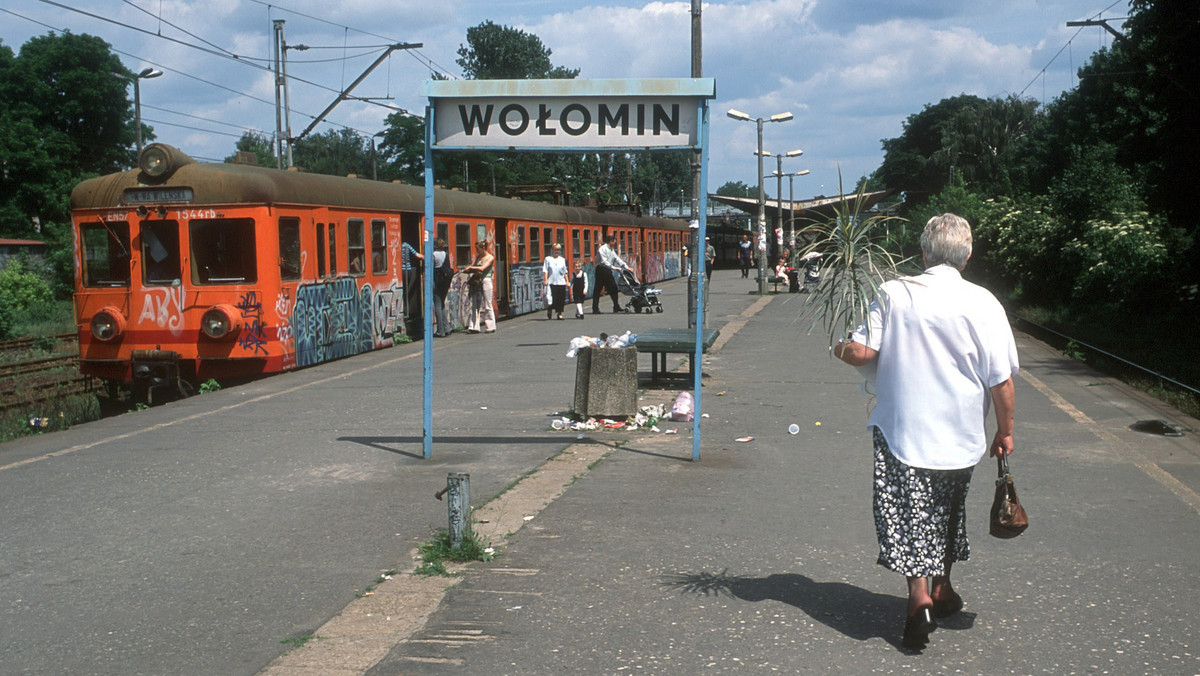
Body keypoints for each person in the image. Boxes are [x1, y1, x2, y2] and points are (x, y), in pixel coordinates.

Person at [833, 213, 1018, 651]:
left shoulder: (895, 292)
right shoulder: (985, 302)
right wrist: (1005, 431)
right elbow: (1002, 382)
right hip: (961, 436)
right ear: (967, 256)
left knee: (908, 512)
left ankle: (919, 598)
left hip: (903, 432)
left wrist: (836, 342)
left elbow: (860, 352)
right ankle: (943, 587)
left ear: (922, 253)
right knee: (947, 511)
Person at [463, 239, 496, 334]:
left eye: (478, 249)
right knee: (475, 304)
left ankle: (490, 326)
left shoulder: (490, 257)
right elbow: (474, 267)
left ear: (483, 248)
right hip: (477, 281)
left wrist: (471, 268)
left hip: (486, 280)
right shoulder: (478, 257)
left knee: (487, 304)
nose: (477, 251)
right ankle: (474, 326)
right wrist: (468, 270)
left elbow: (482, 268)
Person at [593, 234, 629, 315]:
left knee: (613, 288)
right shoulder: (602, 249)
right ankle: (595, 308)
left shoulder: (611, 250)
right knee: (598, 289)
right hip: (601, 269)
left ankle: (616, 306)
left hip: (607, 270)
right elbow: (603, 261)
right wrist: (614, 268)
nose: (615, 243)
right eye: (614, 241)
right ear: (611, 241)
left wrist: (626, 266)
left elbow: (617, 259)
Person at [431, 238, 453, 337]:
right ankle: (447, 328)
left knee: (437, 305)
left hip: (437, 282)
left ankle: (440, 330)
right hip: (445, 282)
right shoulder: (445, 254)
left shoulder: (433, 255)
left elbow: (430, 267)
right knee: (442, 304)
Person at [400, 240, 423, 332]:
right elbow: (418, 256)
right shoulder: (406, 245)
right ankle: (406, 311)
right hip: (407, 271)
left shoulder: (394, 244)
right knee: (406, 292)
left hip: (399, 271)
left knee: (402, 292)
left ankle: (403, 311)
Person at [543, 243, 569, 320]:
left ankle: (559, 313)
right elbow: (545, 270)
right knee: (552, 298)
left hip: (561, 282)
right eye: (555, 249)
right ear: (552, 250)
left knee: (561, 298)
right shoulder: (548, 259)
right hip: (551, 282)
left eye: (558, 249)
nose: (556, 251)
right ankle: (550, 309)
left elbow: (565, 272)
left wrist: (567, 281)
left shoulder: (562, 260)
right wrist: (545, 280)